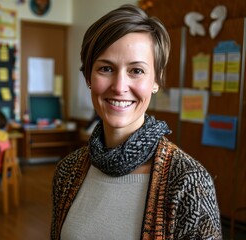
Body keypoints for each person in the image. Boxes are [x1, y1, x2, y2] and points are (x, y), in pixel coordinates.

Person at [51, 4, 222, 240]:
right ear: (88, 76)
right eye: (106, 68)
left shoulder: (188, 181)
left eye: (137, 71)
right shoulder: (67, 172)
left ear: (156, 81)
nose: (120, 87)